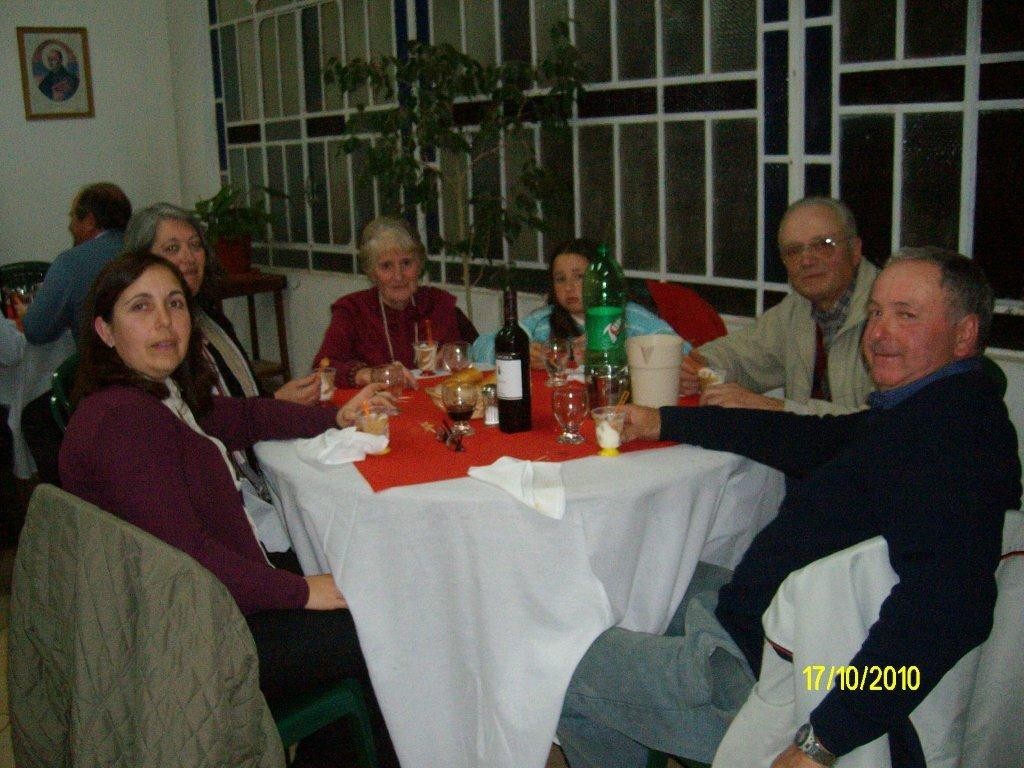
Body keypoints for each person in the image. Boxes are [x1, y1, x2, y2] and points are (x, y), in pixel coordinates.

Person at [557, 247, 1021, 768]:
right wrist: (665, 421)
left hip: (770, 674)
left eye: (906, 315)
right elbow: (810, 438)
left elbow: (949, 611)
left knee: (556, 662)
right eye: (875, 312)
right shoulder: (932, 410)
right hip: (764, 618)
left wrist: (821, 742)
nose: (878, 332)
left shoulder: (952, 446)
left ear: (964, 335)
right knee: (635, 574)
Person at [58, 250, 399, 767]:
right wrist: (304, 591)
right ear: (105, 331)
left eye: (174, 303)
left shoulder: (159, 396)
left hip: (199, 609)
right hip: (191, 642)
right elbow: (188, 557)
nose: (164, 321)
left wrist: (335, 418)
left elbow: (245, 416)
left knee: (353, 589)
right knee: (380, 631)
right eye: (140, 307)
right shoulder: (124, 423)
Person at [681, 197, 877, 415]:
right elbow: (741, 355)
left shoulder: (890, 314)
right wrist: (696, 366)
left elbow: (877, 425)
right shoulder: (798, 309)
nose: (807, 260)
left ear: (855, 249)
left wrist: (775, 407)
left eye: (823, 245)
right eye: (794, 251)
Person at [124, 202, 321, 405]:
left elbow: (243, 393)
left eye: (195, 245)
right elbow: (200, 418)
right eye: (172, 248)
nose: (188, 257)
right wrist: (276, 401)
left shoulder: (209, 316)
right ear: (142, 259)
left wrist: (276, 400)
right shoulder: (151, 334)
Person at [20, 182, 132, 486]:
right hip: (151, 370)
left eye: (74, 217)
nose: (70, 225)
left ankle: (69, 499)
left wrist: (24, 314)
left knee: (34, 417)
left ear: (91, 221)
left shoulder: (72, 262)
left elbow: (36, 330)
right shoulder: (142, 249)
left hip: (105, 379)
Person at [313, 215, 478, 386]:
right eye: (386, 266)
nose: (398, 276)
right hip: (374, 409)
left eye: (406, 263)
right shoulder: (352, 311)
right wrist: (367, 375)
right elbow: (323, 368)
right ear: (372, 272)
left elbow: (481, 353)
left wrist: (457, 356)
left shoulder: (438, 304)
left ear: (419, 265)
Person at [471, 238, 682, 367]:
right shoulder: (543, 319)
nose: (569, 287)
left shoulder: (630, 317)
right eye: (560, 279)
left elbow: (683, 350)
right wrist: (518, 352)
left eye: (579, 277)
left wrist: (619, 350)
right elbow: (479, 347)